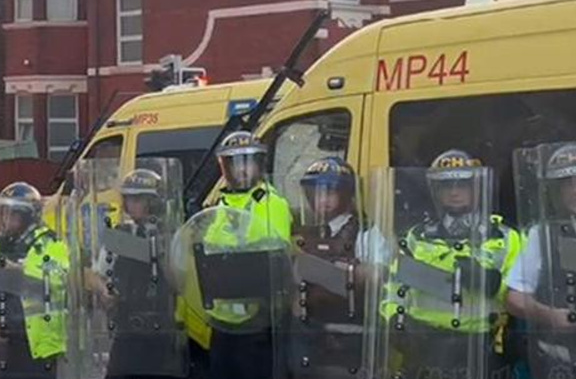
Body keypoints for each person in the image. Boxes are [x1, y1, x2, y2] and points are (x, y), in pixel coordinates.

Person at [379, 149, 521, 379]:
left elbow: (523, 295)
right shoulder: (416, 237)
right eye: (447, 186)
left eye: (462, 185)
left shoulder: (506, 238)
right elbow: (392, 290)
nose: (455, 192)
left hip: (480, 350)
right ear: (435, 191)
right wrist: (396, 322)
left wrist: (493, 284)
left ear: (476, 188)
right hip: (424, 349)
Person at [202, 131, 291, 379]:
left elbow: (275, 259)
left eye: (248, 163)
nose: (242, 171)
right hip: (221, 320)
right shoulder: (219, 205)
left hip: (258, 321)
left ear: (259, 164)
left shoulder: (272, 203)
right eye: (234, 164)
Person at [508, 143, 576, 378]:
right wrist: (549, 316)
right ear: (557, 193)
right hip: (558, 367)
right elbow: (514, 298)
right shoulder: (542, 235)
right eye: (568, 184)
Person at [287, 156, 384, 378]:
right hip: (309, 334)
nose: (322, 200)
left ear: (347, 194)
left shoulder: (366, 232)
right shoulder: (308, 233)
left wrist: (335, 271)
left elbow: (379, 276)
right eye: (317, 193)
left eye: (330, 192)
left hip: (348, 335)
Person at [85, 168, 181, 379]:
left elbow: (179, 281)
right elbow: (94, 274)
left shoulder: (171, 233)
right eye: (129, 199)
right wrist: (105, 291)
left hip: (161, 327)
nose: (132, 204)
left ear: (154, 202)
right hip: (127, 325)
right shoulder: (122, 234)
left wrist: (159, 249)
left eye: (139, 199)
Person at [0, 182, 68, 379]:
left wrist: (21, 272)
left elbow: (60, 281)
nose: (4, 220)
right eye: (2, 213)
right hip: (3, 345)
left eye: (10, 214)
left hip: (38, 346)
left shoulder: (51, 244)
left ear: (26, 216)